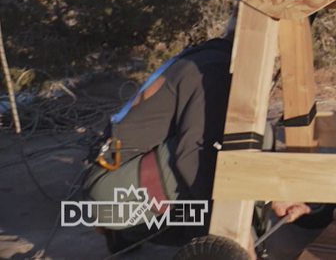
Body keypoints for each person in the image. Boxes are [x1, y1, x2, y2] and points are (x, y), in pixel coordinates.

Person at [83, 19, 309, 252]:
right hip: (114, 195)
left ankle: (126, 233)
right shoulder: (214, 68)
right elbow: (193, 157)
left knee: (254, 137)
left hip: (119, 181)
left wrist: (274, 194)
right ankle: (128, 229)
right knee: (222, 152)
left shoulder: (216, 55)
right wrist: (235, 239)